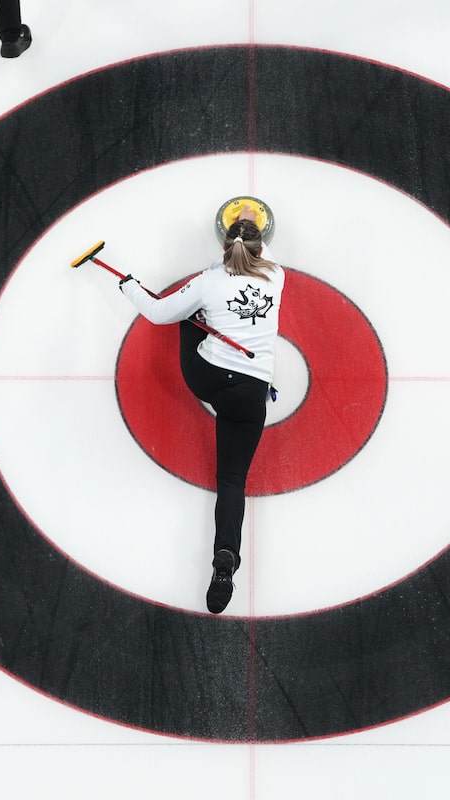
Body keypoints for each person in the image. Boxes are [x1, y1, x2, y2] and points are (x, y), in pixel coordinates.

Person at [118, 214, 284, 614]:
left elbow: (159, 313)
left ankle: (204, 320)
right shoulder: (276, 276)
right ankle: (225, 556)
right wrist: (250, 224)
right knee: (231, 481)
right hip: (249, 394)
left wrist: (130, 287)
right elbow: (259, 251)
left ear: (224, 250)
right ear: (260, 249)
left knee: (189, 317)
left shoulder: (211, 281)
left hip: (208, 381)